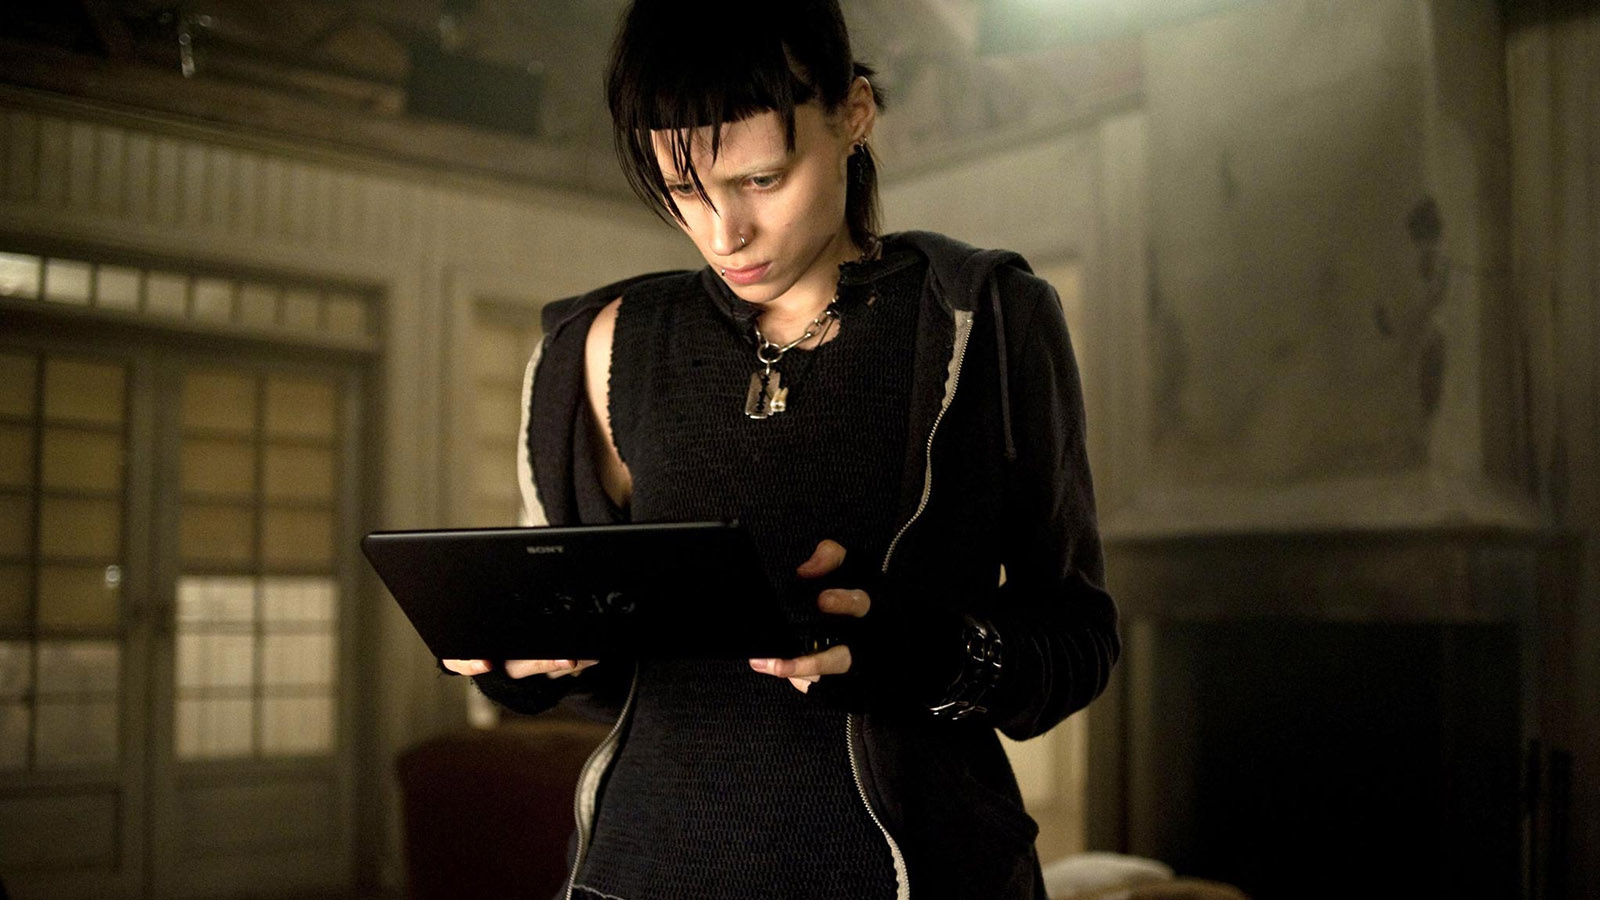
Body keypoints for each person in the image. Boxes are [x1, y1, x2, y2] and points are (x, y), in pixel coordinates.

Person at [442, 1, 1119, 897]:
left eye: (762, 179)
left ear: (853, 114)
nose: (724, 234)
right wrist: (521, 664)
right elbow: (608, 672)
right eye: (683, 189)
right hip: (640, 871)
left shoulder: (983, 317)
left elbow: (1078, 642)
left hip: (913, 875)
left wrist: (928, 651)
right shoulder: (601, 346)